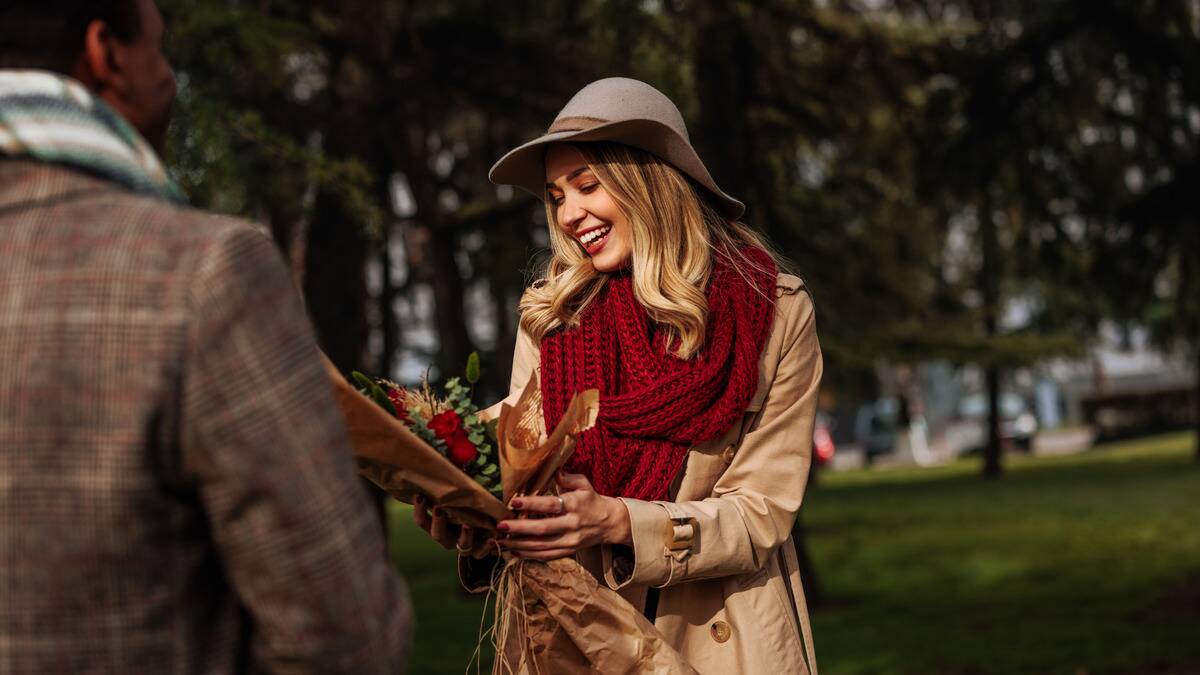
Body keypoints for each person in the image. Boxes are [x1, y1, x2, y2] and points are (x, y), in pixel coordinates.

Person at [0, 2, 412, 672]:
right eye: (161, 52)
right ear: (105, 53)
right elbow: (347, 637)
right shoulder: (204, 273)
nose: (170, 79)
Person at [415, 77, 824, 674]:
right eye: (557, 195)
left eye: (587, 186)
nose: (570, 213)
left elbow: (762, 512)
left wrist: (618, 519)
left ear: (649, 182)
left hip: (720, 639)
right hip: (574, 635)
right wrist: (469, 510)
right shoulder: (553, 315)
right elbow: (529, 468)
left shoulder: (776, 311)